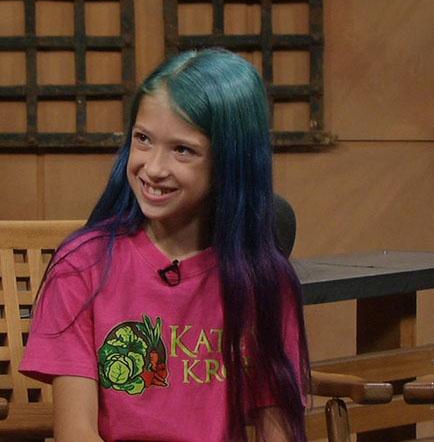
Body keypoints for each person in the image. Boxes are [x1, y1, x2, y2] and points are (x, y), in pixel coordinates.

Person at [20, 48, 309, 442]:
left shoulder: (265, 282)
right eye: (143, 139)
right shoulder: (83, 265)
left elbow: (279, 430)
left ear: (230, 162)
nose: (153, 168)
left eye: (182, 150)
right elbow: (75, 433)